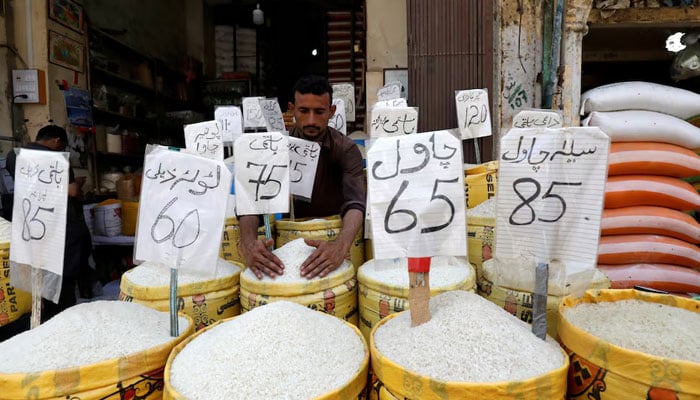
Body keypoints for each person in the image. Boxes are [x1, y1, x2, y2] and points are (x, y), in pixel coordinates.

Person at [239, 75, 365, 280]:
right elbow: (251, 202)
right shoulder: (272, 149)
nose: (311, 121)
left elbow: (356, 203)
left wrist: (340, 246)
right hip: (287, 248)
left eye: (320, 112)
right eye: (304, 111)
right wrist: (249, 244)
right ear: (291, 109)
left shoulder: (346, 149)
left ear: (331, 111)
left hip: (331, 243)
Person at [5, 125, 92, 322]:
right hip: (59, 226)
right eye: (61, 145)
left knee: (37, 276)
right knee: (63, 282)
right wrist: (77, 183)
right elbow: (71, 192)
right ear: (55, 141)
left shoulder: (14, 155)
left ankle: (40, 319)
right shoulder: (57, 159)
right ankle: (62, 321)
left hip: (30, 224)